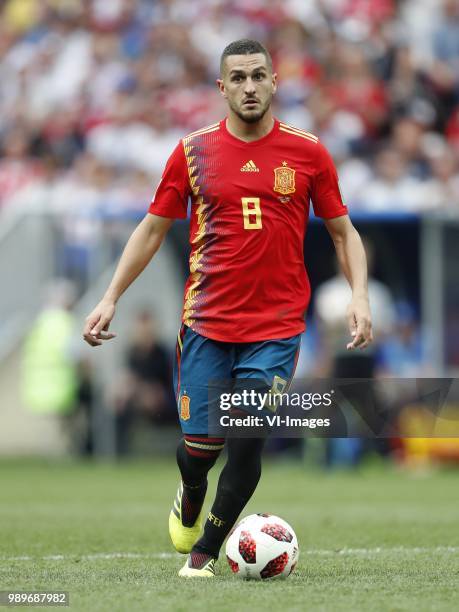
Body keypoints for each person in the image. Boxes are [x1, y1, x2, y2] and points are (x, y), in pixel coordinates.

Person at [83, 39, 373, 578]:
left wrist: (358, 294)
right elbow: (152, 229)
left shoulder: (308, 152)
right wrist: (110, 297)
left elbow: (343, 232)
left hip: (276, 327)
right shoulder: (192, 152)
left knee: (247, 437)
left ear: (274, 82)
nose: (248, 86)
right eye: (237, 78)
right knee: (200, 449)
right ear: (221, 87)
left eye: (258, 76)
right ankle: (190, 491)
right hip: (207, 326)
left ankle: (205, 555)